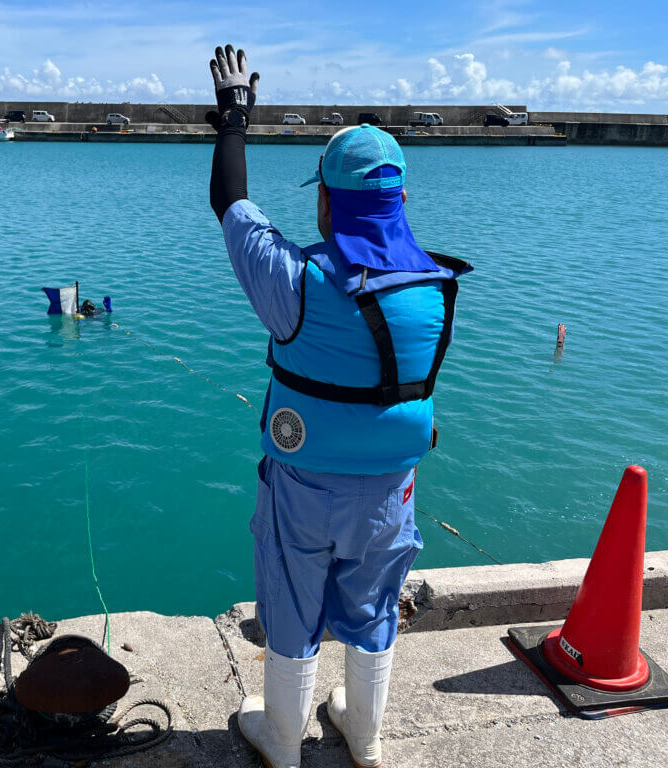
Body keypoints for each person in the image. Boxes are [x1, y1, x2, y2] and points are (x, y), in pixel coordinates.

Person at [206, 45, 472, 768]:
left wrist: (234, 120)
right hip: (393, 493)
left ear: (325, 200)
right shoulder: (439, 288)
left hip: (304, 491)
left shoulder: (295, 282)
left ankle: (283, 741)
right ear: (403, 202)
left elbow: (230, 204)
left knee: (292, 606)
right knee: (373, 606)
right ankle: (365, 733)